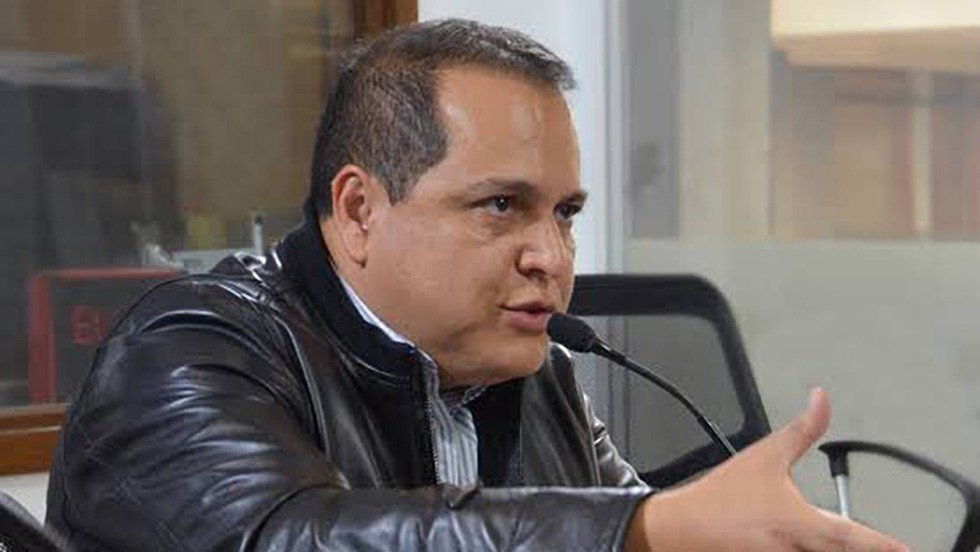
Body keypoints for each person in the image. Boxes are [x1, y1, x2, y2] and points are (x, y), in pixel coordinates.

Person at [46, 19, 909, 551]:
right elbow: (288, 538)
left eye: (565, 213)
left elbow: (624, 526)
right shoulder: (185, 350)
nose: (552, 258)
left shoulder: (534, 374)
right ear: (359, 211)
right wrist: (651, 531)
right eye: (502, 205)